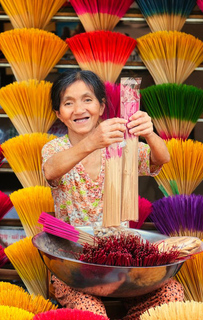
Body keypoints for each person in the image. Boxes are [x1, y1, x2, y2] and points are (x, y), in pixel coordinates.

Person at [41, 70, 183, 319]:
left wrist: (149, 133)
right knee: (90, 312)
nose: (78, 109)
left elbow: (161, 159)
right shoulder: (55, 149)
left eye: (87, 99)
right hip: (74, 267)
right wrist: (93, 141)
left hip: (123, 264)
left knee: (171, 294)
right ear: (58, 114)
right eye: (68, 103)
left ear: (101, 105)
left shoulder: (122, 145)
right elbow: (50, 170)